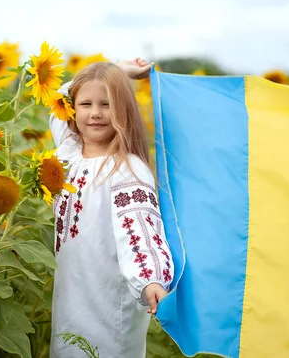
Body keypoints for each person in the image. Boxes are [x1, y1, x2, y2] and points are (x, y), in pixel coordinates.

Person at [49, 59, 175, 358]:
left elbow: (141, 228)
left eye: (106, 104)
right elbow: (56, 103)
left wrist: (150, 278)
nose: (95, 113)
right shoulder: (69, 155)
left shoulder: (126, 169)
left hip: (109, 292)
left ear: (123, 110)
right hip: (71, 290)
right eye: (86, 104)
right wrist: (119, 69)